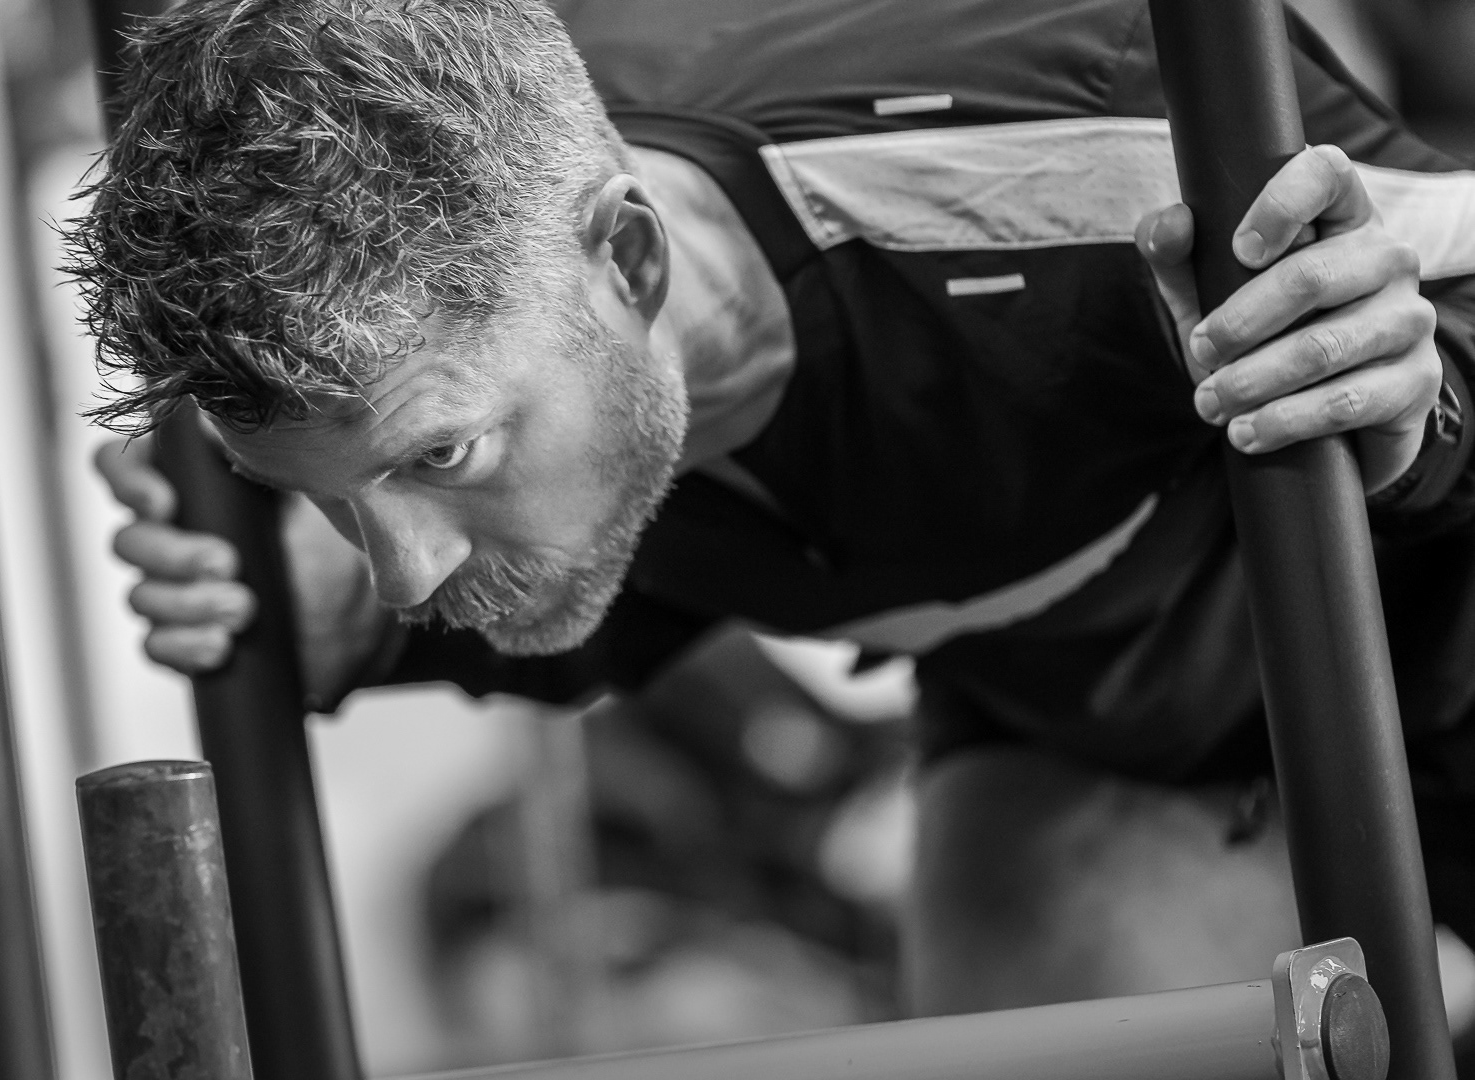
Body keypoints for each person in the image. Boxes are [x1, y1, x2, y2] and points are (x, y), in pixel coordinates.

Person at [81, 0, 1475, 1021]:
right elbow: (642, 577)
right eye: (327, 496)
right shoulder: (524, 299)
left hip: (1421, 606)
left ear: (630, 261)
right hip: (1086, 718)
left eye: (439, 455)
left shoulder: (1095, 136)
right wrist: (329, 613)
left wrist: (1418, 402)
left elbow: (1439, 314)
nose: (399, 566)